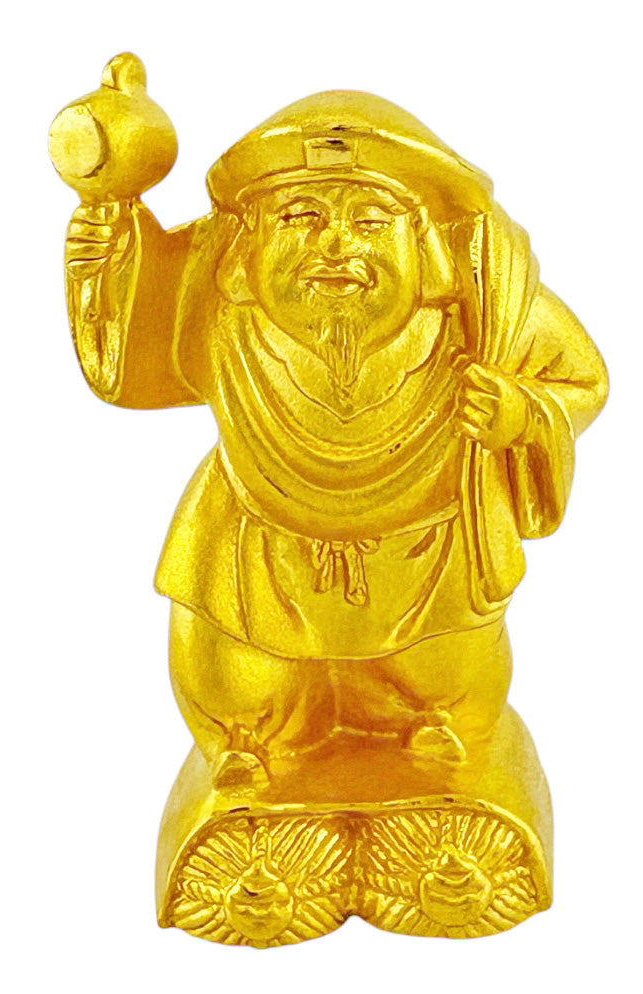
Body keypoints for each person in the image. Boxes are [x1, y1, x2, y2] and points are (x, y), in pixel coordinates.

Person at [64, 91, 607, 789]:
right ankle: (247, 746)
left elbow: (581, 379)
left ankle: (428, 744)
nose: (336, 243)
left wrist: (520, 413)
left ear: (423, 242)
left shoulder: (484, 311)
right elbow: (135, 351)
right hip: (258, 541)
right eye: (301, 216)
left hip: (424, 550)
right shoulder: (219, 302)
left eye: (371, 220)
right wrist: (108, 230)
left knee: (443, 683)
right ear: (250, 242)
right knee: (240, 677)